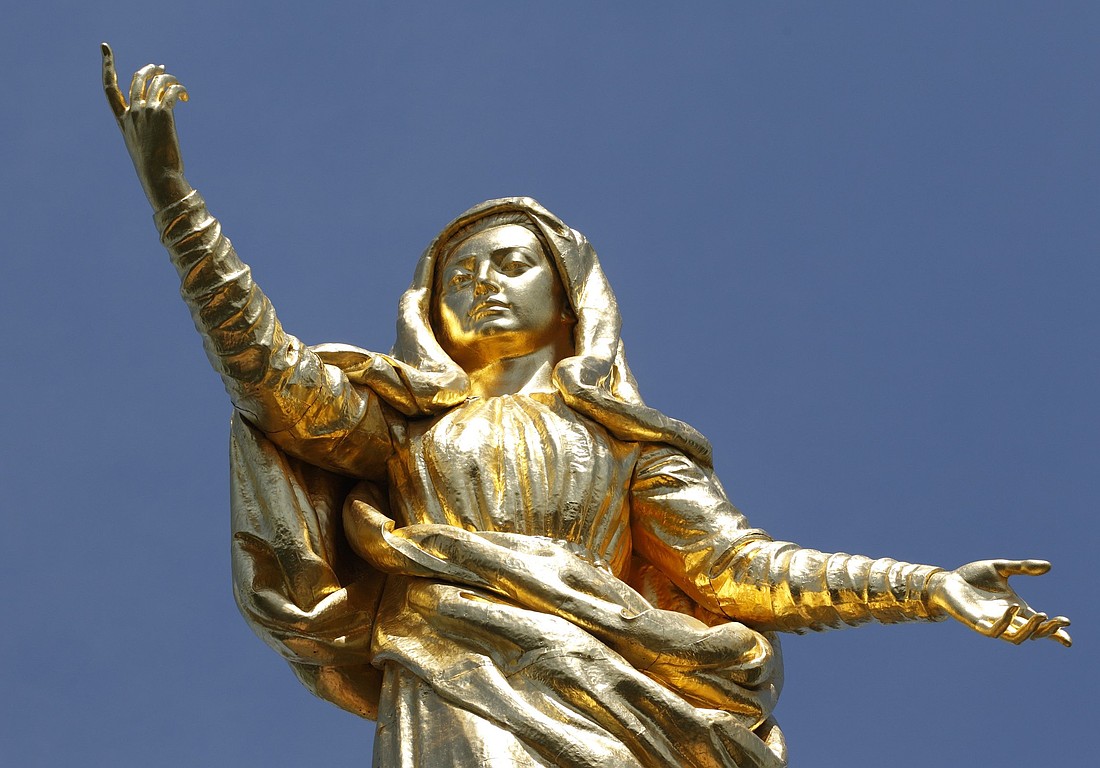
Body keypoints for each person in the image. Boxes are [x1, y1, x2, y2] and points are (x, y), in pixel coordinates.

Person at [102, 46, 1070, 768]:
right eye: (459, 272)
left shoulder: (625, 446)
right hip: (453, 674)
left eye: (510, 263)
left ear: (566, 293)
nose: (482, 284)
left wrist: (926, 588)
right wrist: (175, 201)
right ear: (425, 304)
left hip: (618, 692)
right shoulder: (401, 427)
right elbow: (265, 373)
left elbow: (743, 572)